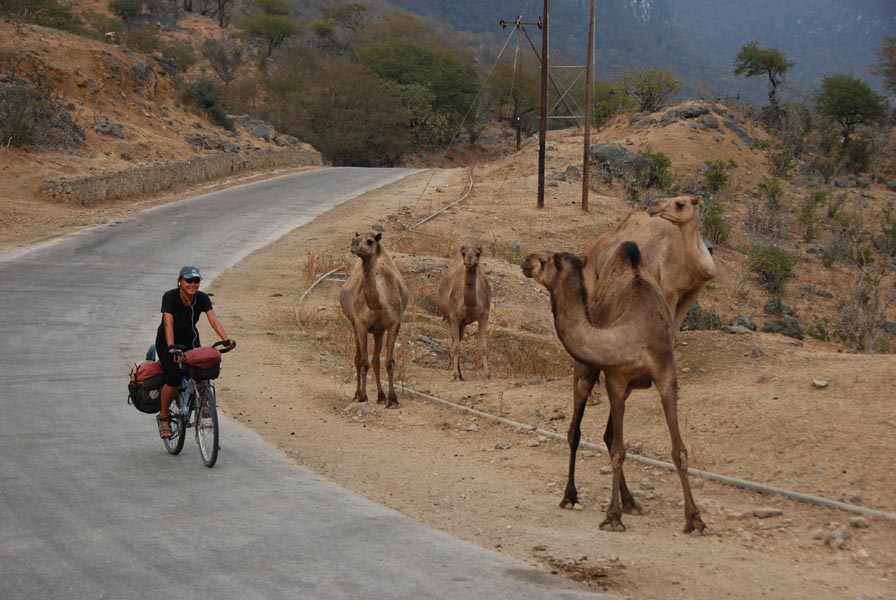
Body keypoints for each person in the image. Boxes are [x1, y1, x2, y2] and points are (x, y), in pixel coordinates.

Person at [155, 265, 235, 438]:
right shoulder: (170, 297)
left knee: (204, 367)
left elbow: (213, 319)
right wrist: (171, 347)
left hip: (190, 340)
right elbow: (168, 323)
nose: (193, 284)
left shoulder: (202, 298)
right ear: (180, 281)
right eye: (188, 280)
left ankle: (203, 401)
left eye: (196, 280)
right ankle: (163, 416)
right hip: (167, 342)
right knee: (174, 377)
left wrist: (226, 339)